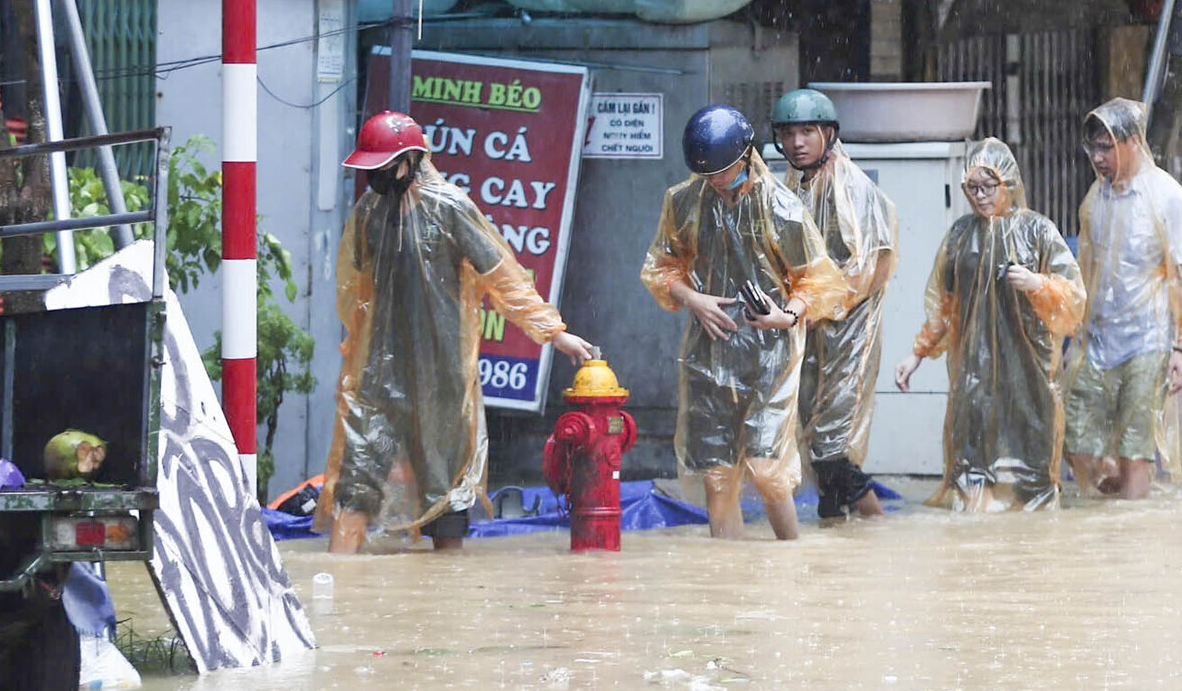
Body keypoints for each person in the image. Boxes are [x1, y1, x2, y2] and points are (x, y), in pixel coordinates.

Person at [317, 111, 596, 554]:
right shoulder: (371, 210)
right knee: (357, 481)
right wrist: (356, 351)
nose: (375, 178)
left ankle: (446, 598)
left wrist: (552, 331)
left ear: (409, 161)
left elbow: (503, 276)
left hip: (440, 374)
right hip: (377, 374)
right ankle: (337, 580)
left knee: (445, 493)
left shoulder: (449, 208)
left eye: (383, 168)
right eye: (369, 169)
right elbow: (358, 289)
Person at [641, 104, 849, 541]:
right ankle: (729, 580)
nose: (715, 180)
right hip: (710, 342)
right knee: (717, 473)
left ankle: (792, 562)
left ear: (745, 156)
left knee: (766, 468)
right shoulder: (684, 201)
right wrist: (693, 299)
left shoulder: (780, 207)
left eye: (723, 170)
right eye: (707, 174)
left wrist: (785, 315)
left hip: (769, 347)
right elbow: (661, 268)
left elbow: (819, 280)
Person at [895, 139, 1085, 511]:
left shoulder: (1038, 231)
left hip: (1030, 374)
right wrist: (916, 354)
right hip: (973, 376)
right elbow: (944, 306)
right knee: (971, 468)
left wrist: (1038, 285)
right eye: (973, 188)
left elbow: (1074, 300)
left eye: (988, 186)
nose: (980, 196)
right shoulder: (960, 235)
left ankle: (1033, 559)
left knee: (1033, 474)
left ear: (1009, 185)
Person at [1062, 98, 1182, 499]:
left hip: (1148, 342)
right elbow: (1087, 272)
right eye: (1093, 148)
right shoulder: (1095, 198)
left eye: (1107, 146)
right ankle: (1118, 502)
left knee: (1135, 447)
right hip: (1098, 340)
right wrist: (1076, 338)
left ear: (1133, 142)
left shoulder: (1167, 196)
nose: (1098, 157)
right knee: (1074, 436)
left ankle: (1133, 535)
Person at [771, 87, 899, 522]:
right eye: (788, 133)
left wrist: (815, 303)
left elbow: (871, 267)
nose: (797, 143)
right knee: (809, 436)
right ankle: (836, 528)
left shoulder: (852, 188)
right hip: (807, 332)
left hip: (849, 334)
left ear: (828, 133)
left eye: (807, 131)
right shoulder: (795, 186)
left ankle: (874, 521)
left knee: (830, 443)